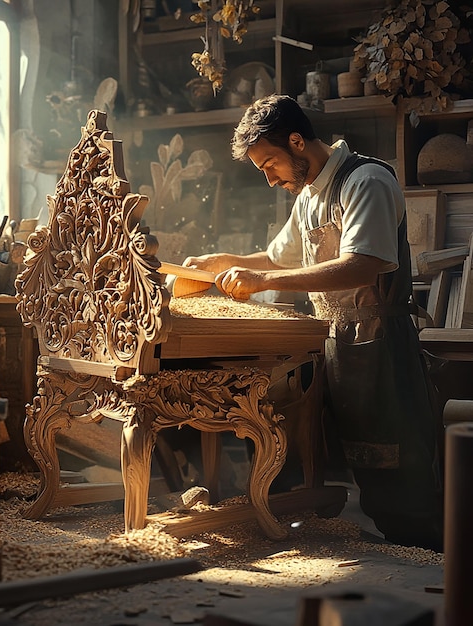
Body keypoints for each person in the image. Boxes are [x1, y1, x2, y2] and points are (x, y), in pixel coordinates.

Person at [184, 94, 444, 552]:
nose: (268, 179)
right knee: (334, 462)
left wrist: (262, 278)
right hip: (331, 342)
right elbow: (277, 257)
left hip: (377, 343)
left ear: (297, 142)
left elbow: (362, 264)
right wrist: (222, 260)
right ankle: (374, 566)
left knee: (394, 472)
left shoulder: (365, 180)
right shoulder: (308, 197)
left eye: (269, 164)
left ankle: (427, 566)